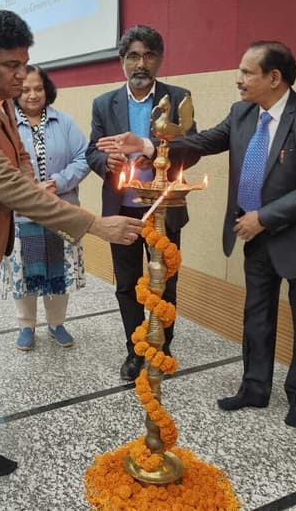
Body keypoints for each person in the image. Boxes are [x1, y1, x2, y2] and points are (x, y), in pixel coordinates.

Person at [0, 10, 143, 477]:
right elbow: (6, 184)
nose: (21, 77)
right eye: (11, 66)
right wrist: (94, 224)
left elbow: (19, 159)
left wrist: (34, 184)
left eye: (24, 65)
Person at [98, 41, 296, 428]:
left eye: (247, 72)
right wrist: (146, 143)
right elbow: (202, 141)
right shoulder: (242, 113)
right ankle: (255, 387)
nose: (238, 79)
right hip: (254, 235)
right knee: (257, 316)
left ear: (274, 78)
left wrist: (264, 217)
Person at [86, 25, 201, 381]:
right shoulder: (104, 104)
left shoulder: (178, 98)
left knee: (166, 282)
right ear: (122, 61)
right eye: (133, 56)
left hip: (164, 207)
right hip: (121, 208)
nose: (141, 64)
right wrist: (106, 162)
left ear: (159, 60)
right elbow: (92, 151)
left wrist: (152, 150)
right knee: (126, 283)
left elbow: (193, 148)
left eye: (149, 56)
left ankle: (161, 347)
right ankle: (135, 349)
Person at [0, 65, 90, 351]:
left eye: (38, 88)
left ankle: (56, 323)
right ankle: (26, 325)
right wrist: (27, 190)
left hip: (60, 210)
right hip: (22, 215)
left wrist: (57, 182)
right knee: (26, 274)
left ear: (46, 89)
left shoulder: (63, 121)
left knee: (58, 271)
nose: (32, 95)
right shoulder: (6, 124)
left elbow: (84, 157)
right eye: (25, 89)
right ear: (15, 92)